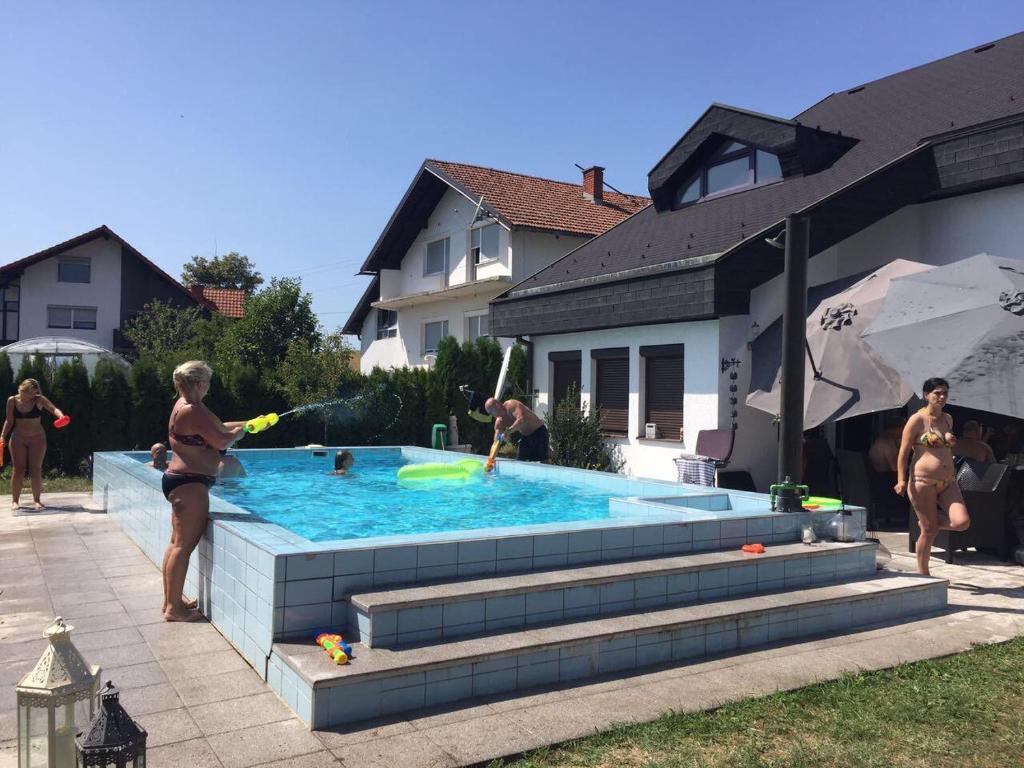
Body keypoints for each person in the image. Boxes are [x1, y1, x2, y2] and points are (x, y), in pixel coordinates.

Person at [162, 361, 246, 621]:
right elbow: (221, 439)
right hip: (189, 483)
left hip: (182, 480)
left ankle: (171, 602)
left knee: (176, 544)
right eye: (208, 382)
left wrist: (251, 423)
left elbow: (218, 426)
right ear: (199, 384)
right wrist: (240, 432)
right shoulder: (193, 410)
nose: (209, 387)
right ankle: (174, 609)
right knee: (183, 547)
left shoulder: (185, 405)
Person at [895, 377, 970, 576]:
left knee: (962, 522)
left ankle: (929, 522)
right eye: (937, 393)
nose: (942, 396)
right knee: (929, 533)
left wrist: (949, 438)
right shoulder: (916, 420)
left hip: (948, 480)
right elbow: (903, 452)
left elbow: (944, 438)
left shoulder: (948, 418)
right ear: (926, 395)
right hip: (922, 481)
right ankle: (923, 573)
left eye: (945, 392)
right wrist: (901, 480)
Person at [1, 378, 66, 512]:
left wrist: (61, 416)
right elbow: (9, 420)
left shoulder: (39, 399)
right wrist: (2, 436)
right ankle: (14, 501)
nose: (31, 396)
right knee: (18, 469)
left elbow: (53, 408)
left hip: (37, 438)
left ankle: (37, 500)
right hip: (18, 438)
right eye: (29, 393)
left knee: (35, 469)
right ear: (21, 390)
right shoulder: (12, 400)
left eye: (34, 393)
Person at [484, 397, 548, 462]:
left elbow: (521, 419)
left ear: (497, 405)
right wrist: (490, 460)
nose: (491, 414)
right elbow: (496, 442)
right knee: (521, 461)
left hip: (539, 432)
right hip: (526, 437)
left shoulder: (511, 405)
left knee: (542, 462)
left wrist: (508, 432)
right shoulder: (499, 422)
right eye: (489, 413)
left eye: (491, 411)